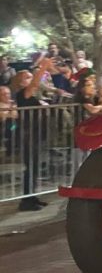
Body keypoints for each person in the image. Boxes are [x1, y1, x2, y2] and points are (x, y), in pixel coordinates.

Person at [12, 59, 51, 211]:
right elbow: (35, 83)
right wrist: (43, 67)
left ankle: (32, 197)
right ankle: (26, 201)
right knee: (30, 168)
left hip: (35, 134)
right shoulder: (23, 94)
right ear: (21, 82)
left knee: (34, 168)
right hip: (29, 135)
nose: (31, 79)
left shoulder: (28, 94)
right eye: (27, 77)